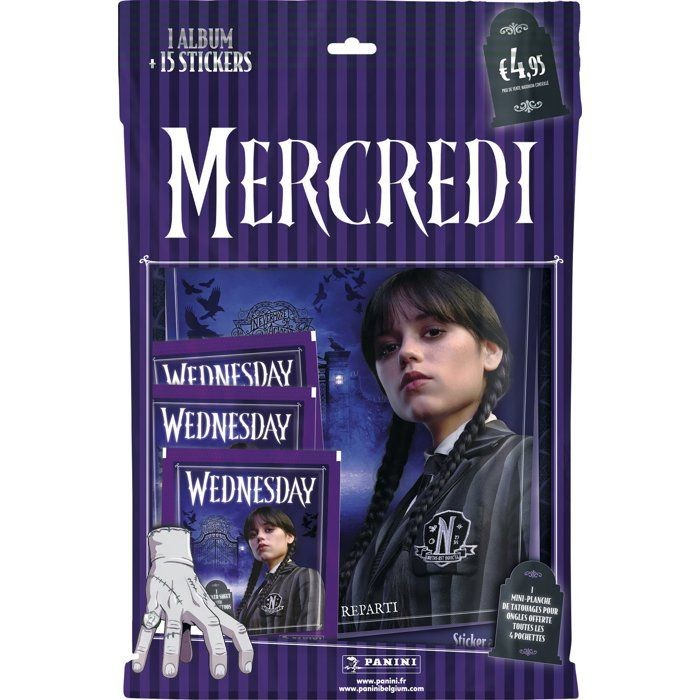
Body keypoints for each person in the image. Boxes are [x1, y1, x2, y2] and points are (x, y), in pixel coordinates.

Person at [340, 269, 532, 631]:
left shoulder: (531, 467)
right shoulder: (400, 510)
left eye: (432, 332)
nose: (406, 354)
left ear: (490, 350)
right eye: (387, 348)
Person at [238, 506, 325, 634]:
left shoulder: (305, 577)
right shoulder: (256, 593)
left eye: (268, 529)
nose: (259, 537)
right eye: (253, 534)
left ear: (289, 536)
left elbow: (312, 635)